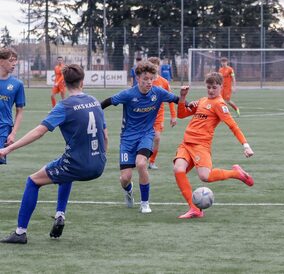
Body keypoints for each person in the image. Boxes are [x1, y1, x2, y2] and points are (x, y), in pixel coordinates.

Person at [0, 64, 108, 244]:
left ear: (63, 83)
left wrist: (8, 148)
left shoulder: (64, 106)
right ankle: (60, 214)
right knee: (64, 167)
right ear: (83, 82)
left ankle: (20, 232)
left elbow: (39, 132)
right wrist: (101, 157)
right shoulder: (95, 101)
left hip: (78, 165)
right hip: (99, 164)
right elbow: (104, 136)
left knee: (33, 181)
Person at [101, 61, 181, 214]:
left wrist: (195, 105)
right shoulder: (128, 94)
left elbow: (177, 100)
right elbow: (107, 102)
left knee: (141, 164)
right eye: (145, 79)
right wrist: (91, 110)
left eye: (151, 78)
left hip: (146, 135)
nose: (149, 82)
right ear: (138, 78)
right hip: (127, 139)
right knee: (125, 178)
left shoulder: (158, 92)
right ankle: (129, 191)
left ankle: (145, 203)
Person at [173, 72, 254, 219]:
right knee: (178, 169)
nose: (211, 90)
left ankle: (236, 173)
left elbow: (233, 126)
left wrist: (245, 145)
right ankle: (194, 208)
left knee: (205, 176)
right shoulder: (203, 100)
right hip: (186, 144)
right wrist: (183, 97)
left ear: (221, 87)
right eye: (208, 87)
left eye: (214, 87)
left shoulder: (220, 104)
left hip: (201, 146)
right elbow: (181, 114)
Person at [147, 57, 177, 170]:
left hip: (158, 116)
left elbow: (171, 99)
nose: (154, 67)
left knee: (157, 138)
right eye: (151, 65)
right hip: (144, 116)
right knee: (142, 139)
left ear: (158, 67)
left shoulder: (164, 82)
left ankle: (152, 162)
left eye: (156, 65)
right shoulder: (145, 81)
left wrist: (173, 116)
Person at [0, 47, 25, 165]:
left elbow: (20, 111)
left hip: (3, 129)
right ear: (1, 61)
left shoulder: (17, 84)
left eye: (15, 61)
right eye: (11, 60)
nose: (14, 64)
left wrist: (13, 133)